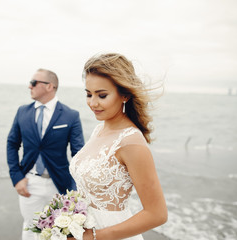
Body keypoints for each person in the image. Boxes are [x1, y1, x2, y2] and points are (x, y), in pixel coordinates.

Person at [69, 53, 167, 240]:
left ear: (125, 95)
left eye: (102, 95)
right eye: (89, 94)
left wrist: (93, 237)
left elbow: (158, 214)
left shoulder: (131, 142)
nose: (92, 103)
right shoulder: (98, 130)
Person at [6, 68, 85, 240]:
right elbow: (12, 144)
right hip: (29, 183)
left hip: (59, 185)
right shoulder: (22, 112)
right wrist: (17, 177)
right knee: (30, 228)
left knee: (58, 232)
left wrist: (74, 186)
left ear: (50, 86)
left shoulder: (71, 116)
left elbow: (78, 154)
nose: (29, 86)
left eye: (34, 82)